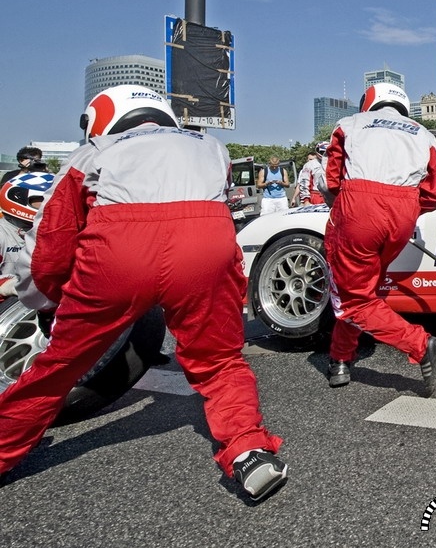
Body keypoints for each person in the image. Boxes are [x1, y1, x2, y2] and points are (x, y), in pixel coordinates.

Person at [0, 85, 288, 502]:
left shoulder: (92, 152)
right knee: (219, 360)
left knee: (58, 367)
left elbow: (50, 246)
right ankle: (249, 450)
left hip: (120, 248)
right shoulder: (211, 145)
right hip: (205, 243)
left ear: (100, 119)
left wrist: (47, 301)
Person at [322, 83, 436, 394]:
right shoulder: (423, 133)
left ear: (370, 101)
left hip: (359, 209)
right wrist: (401, 212)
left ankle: (422, 345)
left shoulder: (350, 124)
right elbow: (434, 196)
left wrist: (358, 210)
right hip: (403, 213)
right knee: (363, 291)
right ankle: (340, 359)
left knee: (351, 299)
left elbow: (331, 180)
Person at [0, 172, 54, 299]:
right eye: (44, 199)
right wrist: (6, 285)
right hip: (9, 312)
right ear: (18, 197)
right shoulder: (2, 234)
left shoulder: (56, 232)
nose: (53, 204)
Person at [294, 142, 328, 207]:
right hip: (316, 196)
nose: (325, 154)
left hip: (331, 195)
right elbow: (304, 183)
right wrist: (306, 200)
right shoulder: (309, 165)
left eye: (327, 151)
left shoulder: (334, 163)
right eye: (322, 152)